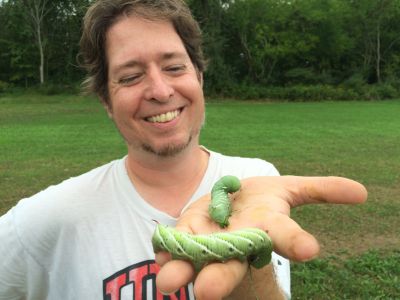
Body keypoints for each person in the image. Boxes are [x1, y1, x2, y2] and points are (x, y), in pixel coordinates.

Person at [0, 0, 367, 299]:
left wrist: (246, 273)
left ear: (200, 77)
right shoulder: (45, 218)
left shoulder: (258, 182)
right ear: (106, 100)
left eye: (174, 67)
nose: (160, 90)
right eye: (130, 77)